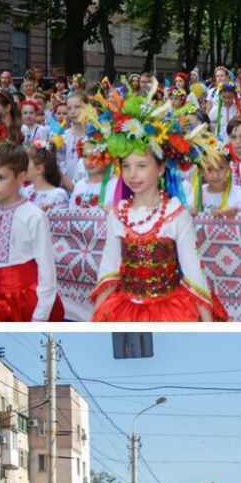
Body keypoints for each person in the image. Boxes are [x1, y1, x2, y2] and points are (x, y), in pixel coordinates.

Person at [82, 93, 225, 322]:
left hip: (171, 309)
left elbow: (193, 272)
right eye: (126, 166)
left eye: (141, 165)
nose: (132, 174)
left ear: (160, 168)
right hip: (124, 309)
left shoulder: (175, 213)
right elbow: (108, 269)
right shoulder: (118, 213)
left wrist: (207, 324)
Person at [0, 144, 60, 321]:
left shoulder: (34, 216)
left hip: (25, 300)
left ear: (21, 177)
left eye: (0, 178)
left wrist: (40, 316)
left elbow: (47, 271)